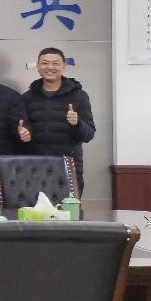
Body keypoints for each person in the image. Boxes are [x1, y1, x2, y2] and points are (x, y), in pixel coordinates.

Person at [22, 47, 96, 193]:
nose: (50, 67)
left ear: (64, 66)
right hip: (35, 167)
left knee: (68, 208)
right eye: (45, 63)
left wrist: (77, 123)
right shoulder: (27, 97)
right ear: (38, 66)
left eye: (55, 63)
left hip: (68, 167)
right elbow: (24, 126)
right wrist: (25, 132)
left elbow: (89, 134)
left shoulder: (79, 96)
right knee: (35, 208)